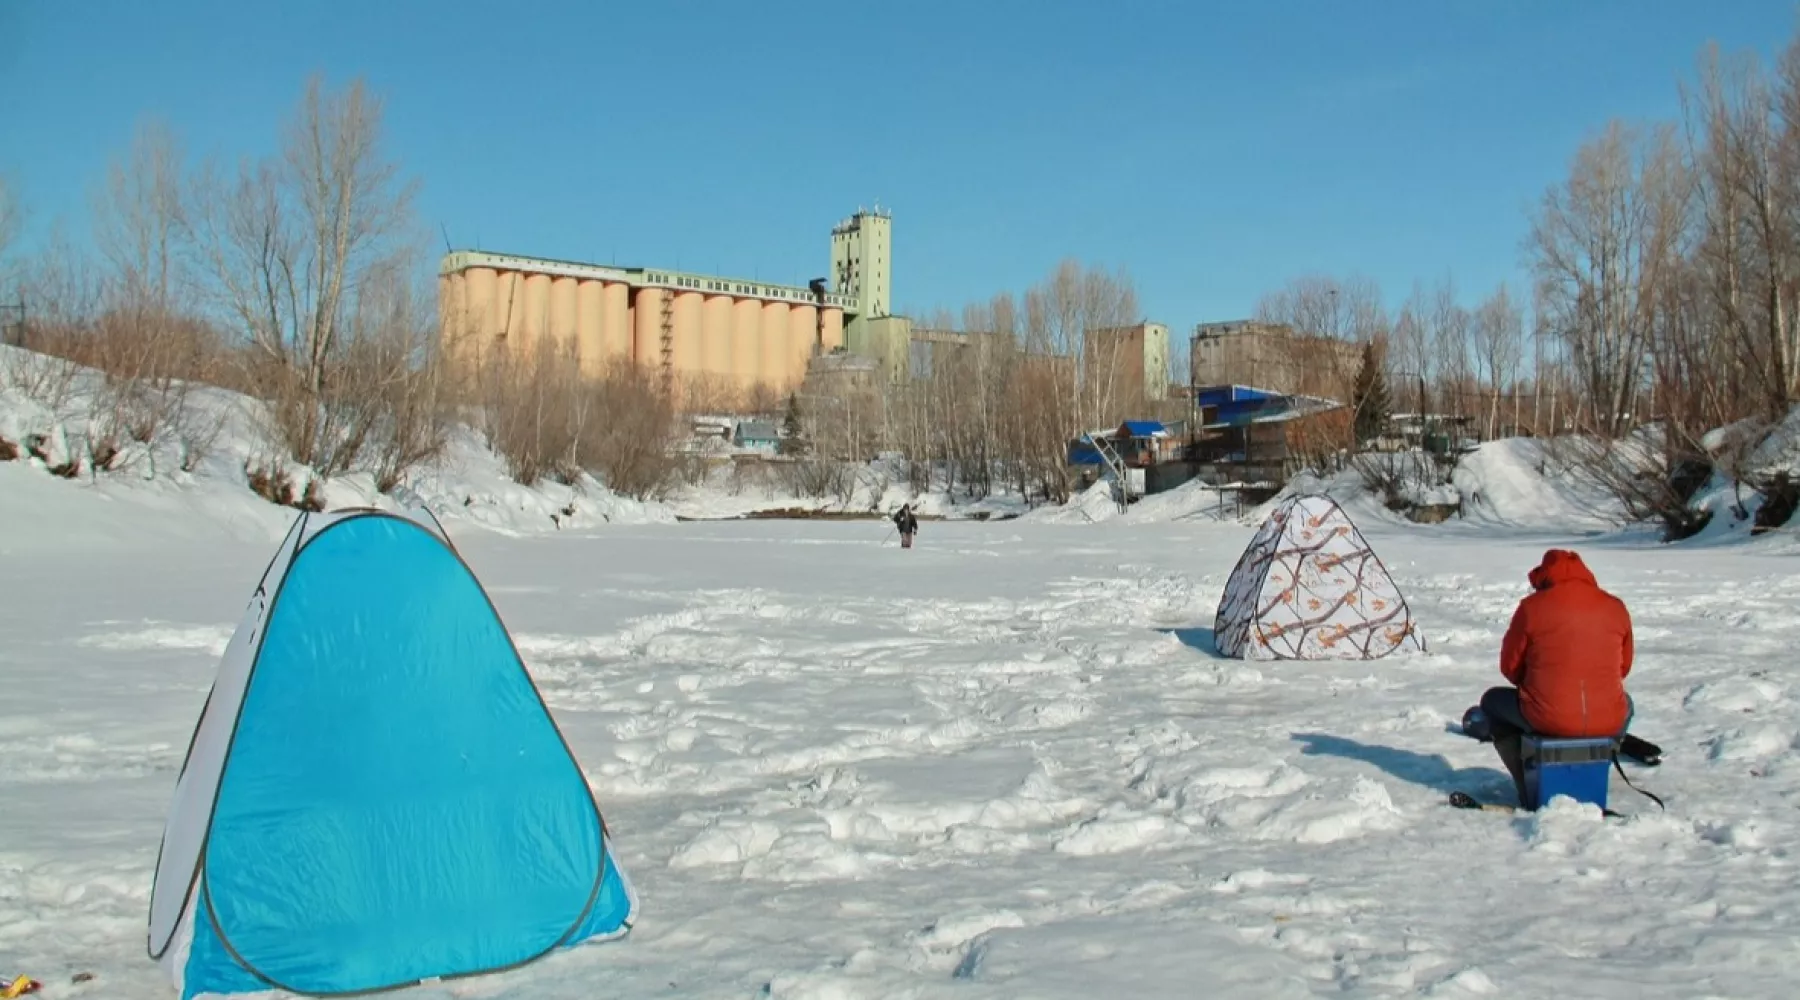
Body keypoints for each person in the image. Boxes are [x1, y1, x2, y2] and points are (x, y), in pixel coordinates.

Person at [1478, 548, 1634, 804]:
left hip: (1547, 717)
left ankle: (1528, 784)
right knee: (1627, 705)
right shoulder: (1616, 607)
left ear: (1544, 577)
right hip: (1606, 717)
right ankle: (1597, 762)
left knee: (1492, 702)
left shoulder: (1531, 608)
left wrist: (1536, 685)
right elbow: (1623, 667)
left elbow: (1510, 666)